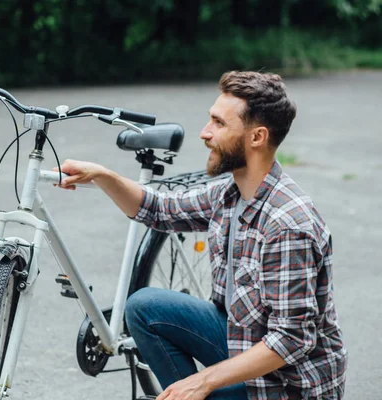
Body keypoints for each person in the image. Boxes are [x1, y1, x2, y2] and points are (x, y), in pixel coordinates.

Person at [56, 71, 347, 399]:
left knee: (201, 384)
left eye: (219, 124)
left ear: (257, 137)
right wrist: (102, 176)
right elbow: (159, 209)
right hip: (243, 341)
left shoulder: (287, 227)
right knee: (144, 306)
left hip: (286, 385)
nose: (204, 133)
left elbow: (290, 341)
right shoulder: (230, 192)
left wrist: (204, 381)